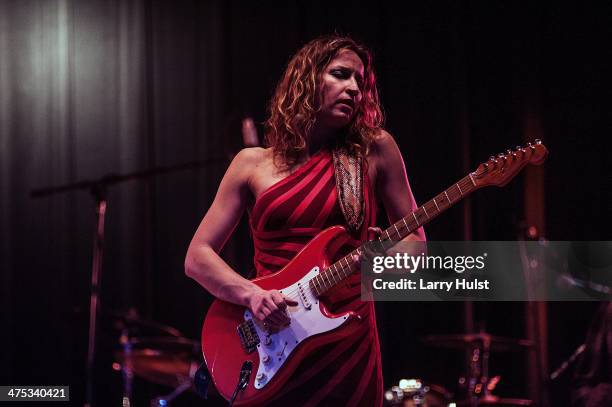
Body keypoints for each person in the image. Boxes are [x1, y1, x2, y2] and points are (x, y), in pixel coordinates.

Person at [185, 35, 425, 406]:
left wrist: (384, 268)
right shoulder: (251, 164)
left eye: (360, 82)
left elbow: (415, 245)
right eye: (341, 75)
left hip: (346, 345)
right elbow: (197, 256)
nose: (354, 89)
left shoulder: (375, 149)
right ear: (307, 79)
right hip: (271, 338)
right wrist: (251, 295)